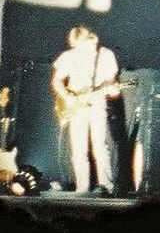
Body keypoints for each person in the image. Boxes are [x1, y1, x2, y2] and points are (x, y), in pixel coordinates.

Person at [52, 24, 121, 194]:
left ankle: (106, 186)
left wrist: (113, 90)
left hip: (97, 103)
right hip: (77, 106)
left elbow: (110, 82)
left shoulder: (106, 55)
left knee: (100, 145)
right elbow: (56, 80)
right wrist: (68, 96)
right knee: (78, 148)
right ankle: (82, 188)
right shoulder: (68, 56)